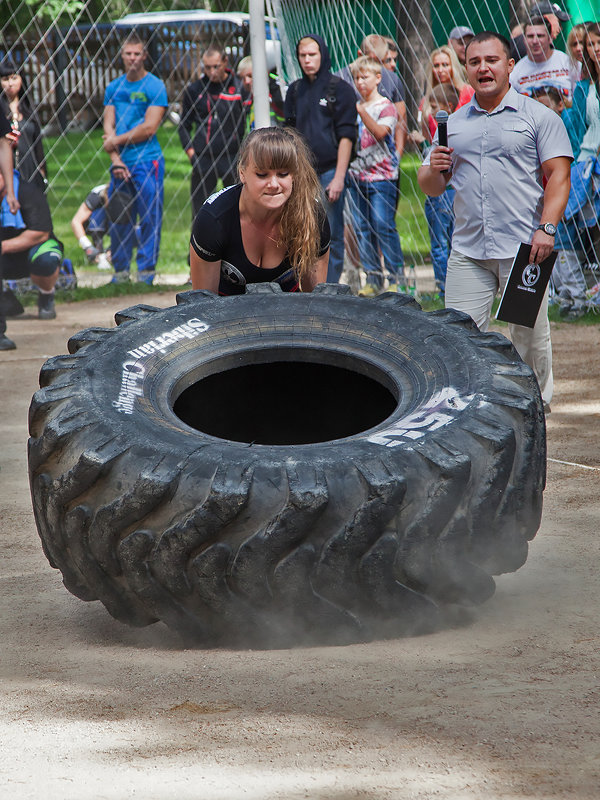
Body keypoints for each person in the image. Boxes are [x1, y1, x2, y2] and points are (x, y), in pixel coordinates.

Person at [418, 31, 572, 409]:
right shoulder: (452, 125)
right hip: (469, 251)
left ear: (509, 65)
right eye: (474, 62)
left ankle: (535, 407)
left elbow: (559, 178)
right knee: (456, 335)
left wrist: (547, 228)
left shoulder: (539, 117)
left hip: (526, 251)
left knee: (529, 336)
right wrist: (435, 170)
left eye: (491, 60)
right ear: (466, 69)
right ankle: (462, 411)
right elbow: (430, 185)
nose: (483, 68)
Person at [190, 127, 330, 295]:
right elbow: (202, 308)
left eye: (283, 174)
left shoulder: (312, 215)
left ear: (294, 174)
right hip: (226, 317)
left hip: (288, 314)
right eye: (262, 174)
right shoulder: (214, 220)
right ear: (242, 173)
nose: (273, 184)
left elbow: (316, 304)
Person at [284, 34, 356, 284]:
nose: (307, 60)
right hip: (300, 173)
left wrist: (338, 177)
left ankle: (329, 288)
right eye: (302, 55)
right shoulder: (294, 90)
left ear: (323, 54)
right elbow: (289, 134)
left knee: (331, 232)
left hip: (329, 172)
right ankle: (302, 285)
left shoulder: (341, 90)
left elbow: (348, 136)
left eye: (312, 54)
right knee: (300, 231)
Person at [103, 34, 168, 285]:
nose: (132, 58)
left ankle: (146, 274)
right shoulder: (114, 87)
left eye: (137, 53)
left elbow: (149, 128)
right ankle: (120, 273)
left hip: (147, 161)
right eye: (128, 53)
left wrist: (115, 142)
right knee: (119, 217)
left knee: (149, 216)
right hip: (120, 163)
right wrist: (115, 159)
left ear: (145, 55)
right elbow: (107, 125)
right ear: (122, 55)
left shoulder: (155, 87)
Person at [347, 57, 405, 297]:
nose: (360, 82)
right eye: (357, 78)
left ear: (378, 78)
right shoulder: (353, 107)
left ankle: (395, 278)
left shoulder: (386, 106)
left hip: (382, 178)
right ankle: (372, 278)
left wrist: (361, 111)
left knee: (383, 225)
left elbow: (381, 132)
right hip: (356, 178)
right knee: (362, 228)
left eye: (365, 77)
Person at [531, 86, 588, 319]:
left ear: (560, 106)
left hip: (571, 195)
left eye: (545, 106)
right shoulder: (535, 131)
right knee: (557, 250)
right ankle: (564, 296)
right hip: (548, 200)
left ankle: (578, 298)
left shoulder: (568, 124)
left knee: (568, 249)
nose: (541, 113)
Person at [178, 46, 245, 220]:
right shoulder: (195, 90)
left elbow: (247, 119)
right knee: (201, 213)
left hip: (232, 157)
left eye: (216, 66)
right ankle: (200, 247)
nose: (212, 71)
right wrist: (192, 155)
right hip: (203, 158)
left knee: (237, 211)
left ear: (225, 62)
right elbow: (184, 125)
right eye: (207, 67)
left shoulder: (238, 86)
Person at [0, 169, 64, 349]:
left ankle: (46, 295)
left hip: (32, 249)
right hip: (5, 257)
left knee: (46, 260)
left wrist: (3, 247)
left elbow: (40, 233)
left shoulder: (27, 192)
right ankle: (5, 296)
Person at [422, 83, 460, 299]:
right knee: (441, 241)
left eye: (435, 107)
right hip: (439, 196)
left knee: (445, 242)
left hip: (448, 194)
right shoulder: (437, 134)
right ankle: (444, 287)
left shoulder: (453, 132)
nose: (431, 111)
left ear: (449, 107)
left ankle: (448, 287)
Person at [0, 59, 47, 192]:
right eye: (5, 79)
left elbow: (38, 145)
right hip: (6, 170)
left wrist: (42, 173)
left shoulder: (29, 109)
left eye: (14, 78)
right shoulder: (1, 111)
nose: (10, 83)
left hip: (30, 168)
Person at [412, 46, 473, 145]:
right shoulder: (427, 100)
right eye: (436, 65)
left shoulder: (469, 93)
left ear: (454, 67)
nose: (440, 70)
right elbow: (426, 136)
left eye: (445, 65)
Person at [510, 17, 577, 104]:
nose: (535, 41)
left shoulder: (568, 62)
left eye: (540, 36)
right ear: (524, 40)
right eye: (530, 36)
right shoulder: (515, 73)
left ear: (550, 38)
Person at [236, 56, 284, 133]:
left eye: (250, 76)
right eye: (242, 78)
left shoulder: (275, 88)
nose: (247, 81)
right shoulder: (246, 96)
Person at [70, 183, 112, 270]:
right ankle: (98, 253)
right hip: (98, 221)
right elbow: (76, 222)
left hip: (121, 222)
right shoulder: (96, 196)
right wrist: (87, 246)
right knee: (97, 217)